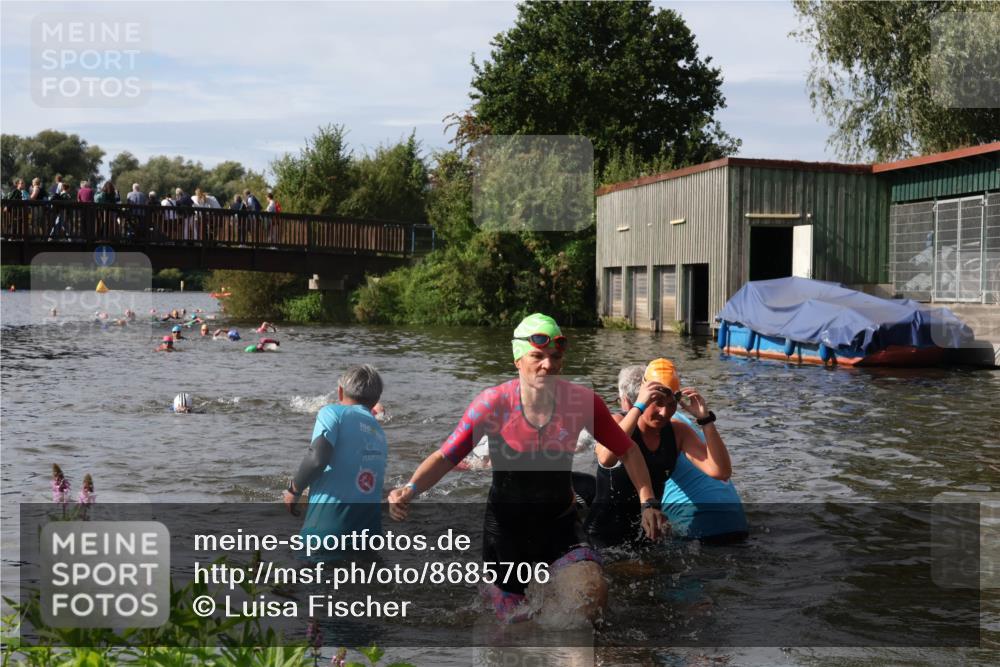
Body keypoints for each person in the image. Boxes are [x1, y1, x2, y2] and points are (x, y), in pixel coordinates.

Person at [387, 313, 666, 624]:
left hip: (560, 527)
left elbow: (627, 450)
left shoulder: (581, 402)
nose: (548, 364)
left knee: (590, 596)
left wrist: (648, 502)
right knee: (513, 631)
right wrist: (409, 489)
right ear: (518, 359)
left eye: (555, 356)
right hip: (506, 536)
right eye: (537, 355)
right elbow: (446, 456)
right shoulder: (493, 404)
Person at [585, 360, 743, 549]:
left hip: (647, 533)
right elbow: (606, 457)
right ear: (643, 397)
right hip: (603, 533)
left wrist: (706, 420)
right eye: (657, 403)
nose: (664, 412)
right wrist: (639, 407)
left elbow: (721, 471)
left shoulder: (678, 432)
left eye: (671, 404)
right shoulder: (618, 421)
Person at [283, 365, 387, 560]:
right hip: (369, 540)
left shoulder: (332, 412)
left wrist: (293, 490)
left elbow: (317, 459)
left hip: (326, 534)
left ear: (340, 391)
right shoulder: (379, 432)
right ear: (375, 400)